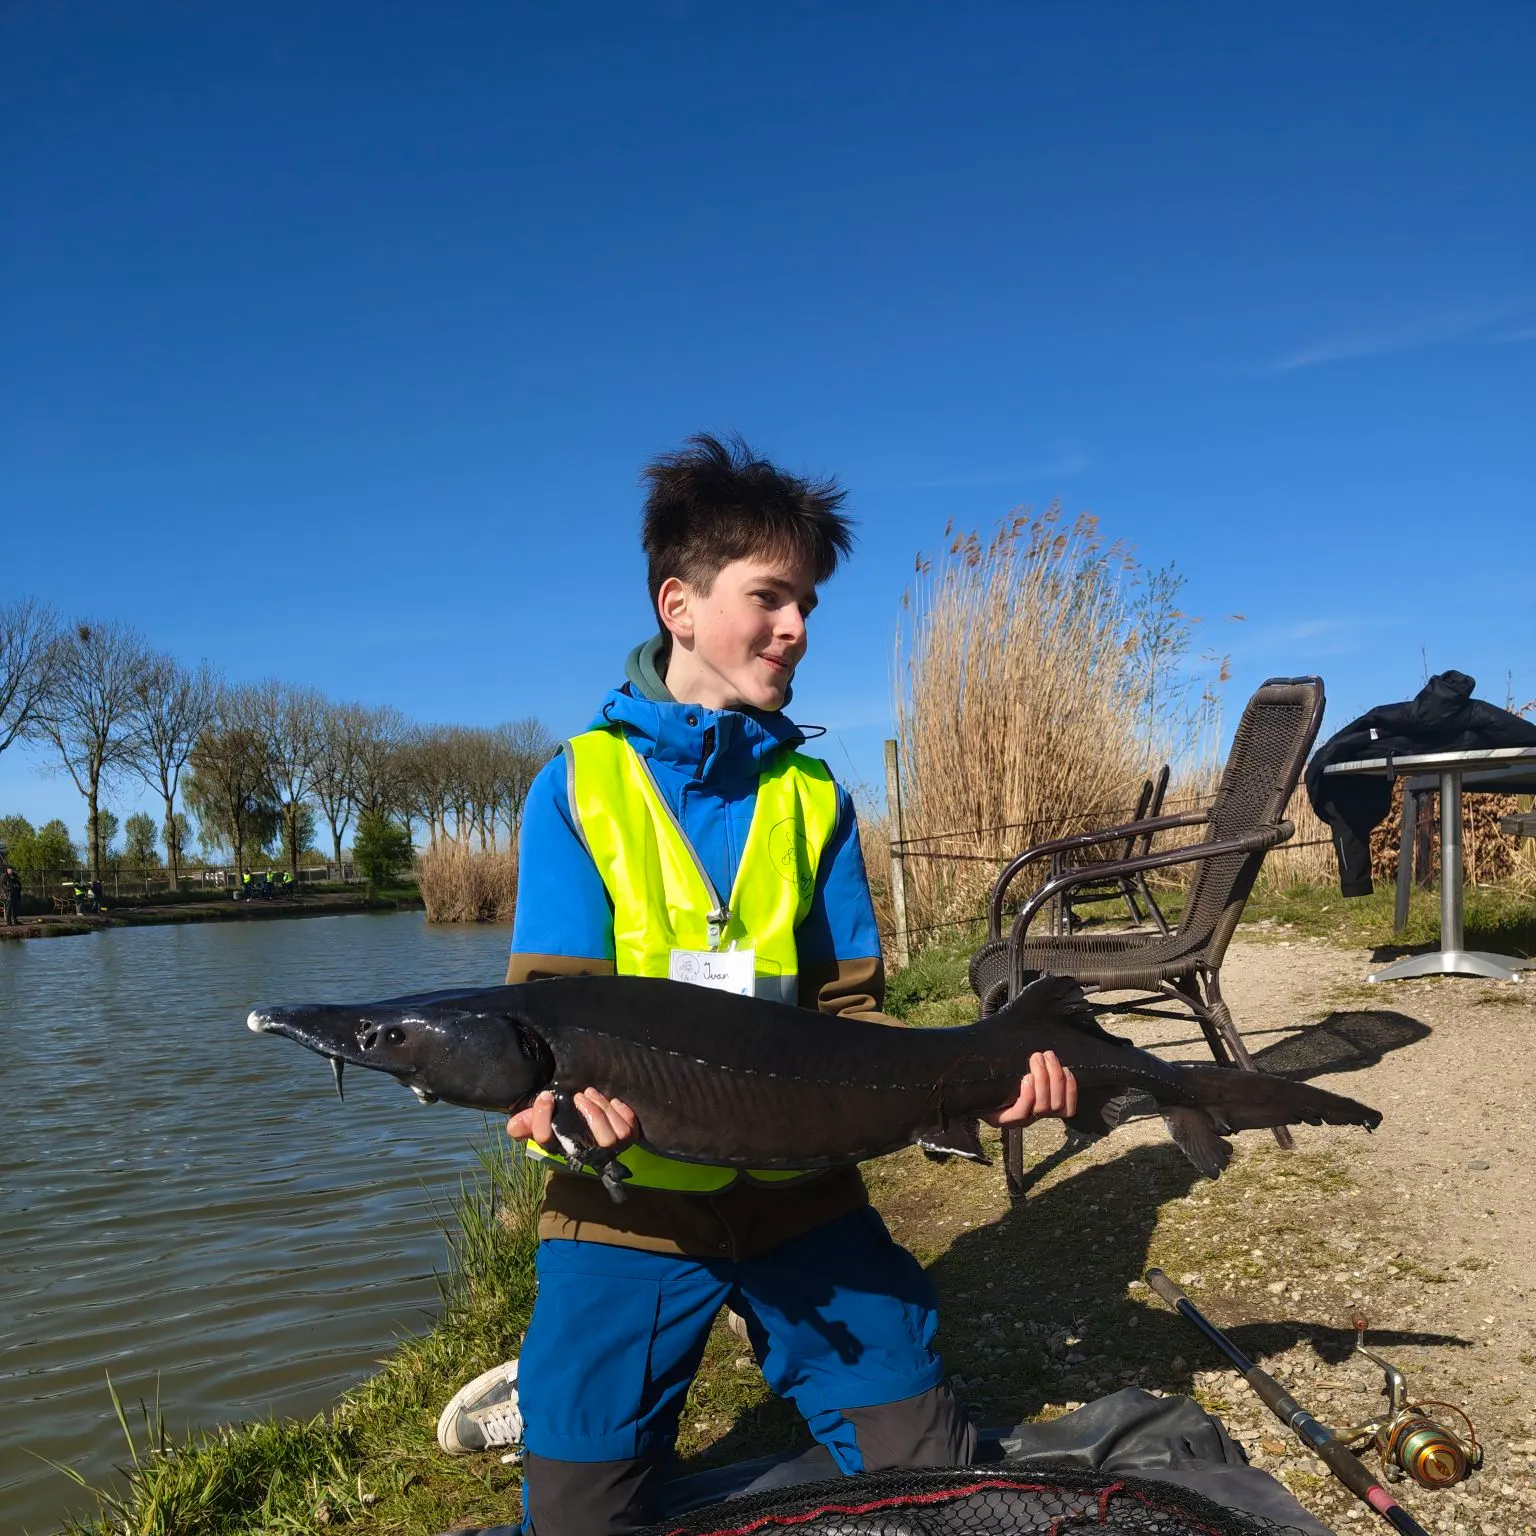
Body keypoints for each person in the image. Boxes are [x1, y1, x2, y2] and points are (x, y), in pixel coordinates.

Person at [435, 435, 1078, 1536]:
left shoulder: (815, 797)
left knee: (939, 1485)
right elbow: (544, 1019)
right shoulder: (574, 787)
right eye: (770, 598)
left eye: (808, 604)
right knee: (583, 1522)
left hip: (803, 1198)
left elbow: (852, 1018)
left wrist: (981, 1085)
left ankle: (763, 1327)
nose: (797, 629)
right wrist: (550, 1117)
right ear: (678, 604)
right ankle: (553, 1379)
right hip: (625, 1209)